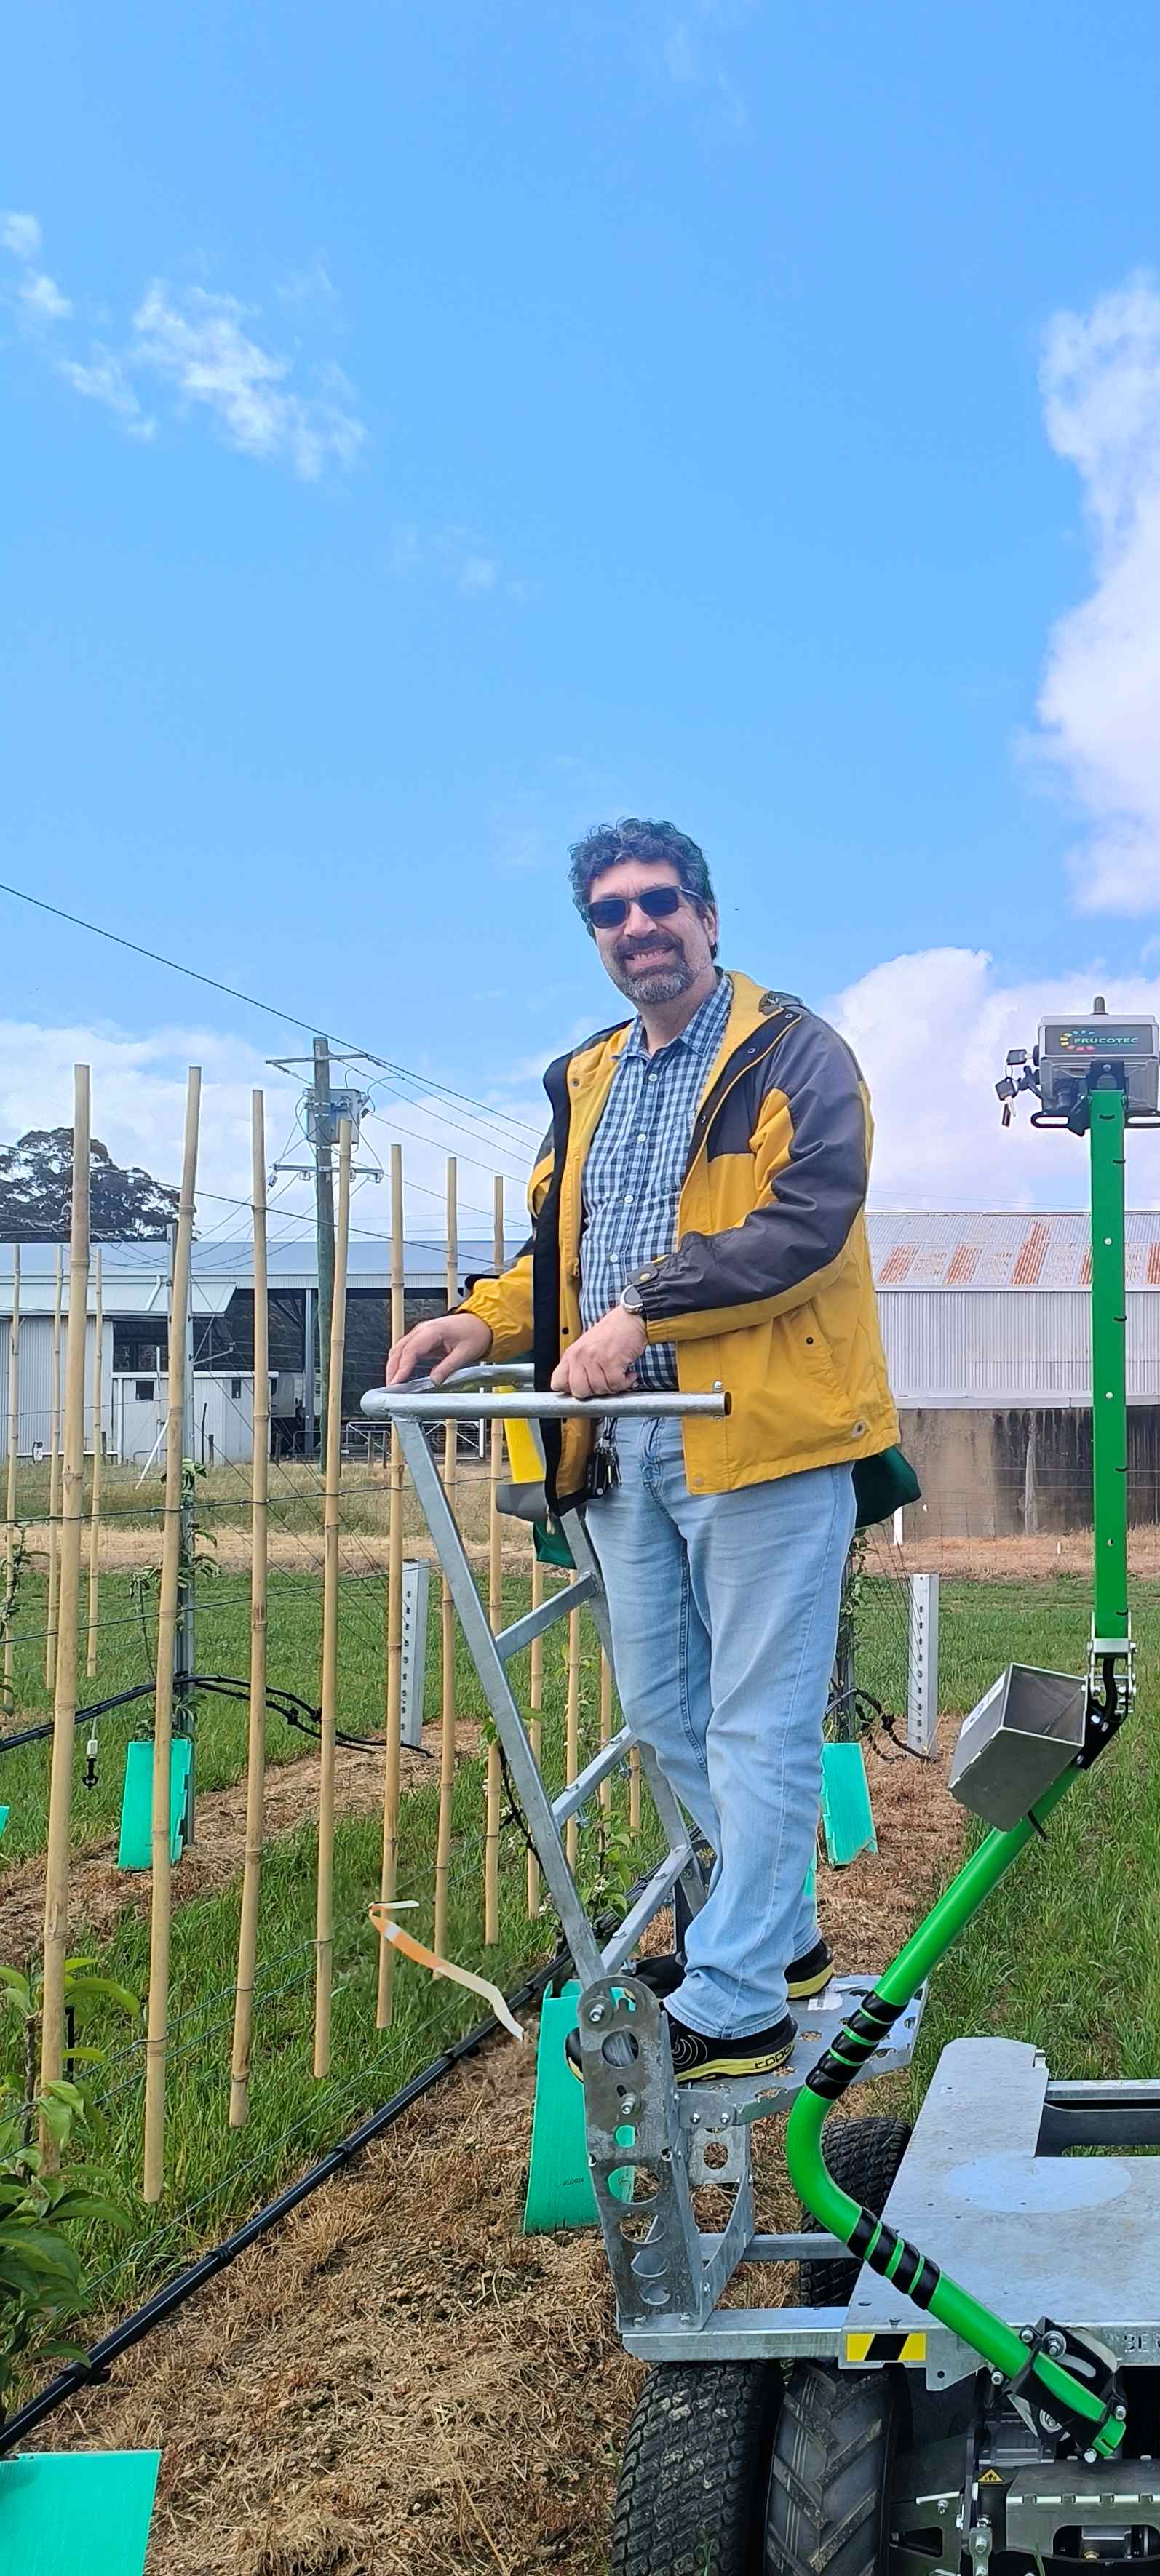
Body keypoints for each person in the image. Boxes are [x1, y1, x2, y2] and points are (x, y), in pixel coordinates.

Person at [385, 819, 901, 2081]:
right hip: (618, 1451)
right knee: (666, 1712)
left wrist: (643, 1317)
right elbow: (560, 1262)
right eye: (610, 913)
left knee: (760, 1722)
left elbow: (807, 1226)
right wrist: (483, 1317)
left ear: (709, 916)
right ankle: (774, 1943)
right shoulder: (587, 1078)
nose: (638, 928)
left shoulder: (794, 1053)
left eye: (659, 901)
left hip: (760, 1437)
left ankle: (735, 2008)